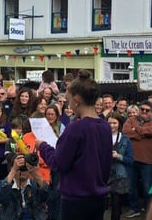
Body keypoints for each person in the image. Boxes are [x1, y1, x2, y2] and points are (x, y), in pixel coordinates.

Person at [36, 69, 113, 220]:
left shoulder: (76, 128)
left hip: (76, 199)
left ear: (76, 100)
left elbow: (58, 163)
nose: (69, 104)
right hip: (98, 197)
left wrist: (43, 146)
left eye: (69, 100)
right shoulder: (104, 127)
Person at [0, 154, 49, 220]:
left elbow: (48, 196)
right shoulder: (7, 185)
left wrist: (36, 174)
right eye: (20, 168)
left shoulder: (36, 185)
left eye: (25, 168)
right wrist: (13, 170)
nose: (23, 171)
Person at [122, 100, 152, 217]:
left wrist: (136, 130)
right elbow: (125, 131)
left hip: (148, 161)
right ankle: (134, 208)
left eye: (147, 110)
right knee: (131, 186)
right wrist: (143, 134)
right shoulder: (131, 120)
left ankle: (149, 210)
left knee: (146, 187)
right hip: (131, 159)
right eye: (142, 109)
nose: (144, 111)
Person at [106, 112, 133, 220]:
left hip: (119, 176)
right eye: (109, 123)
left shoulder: (125, 139)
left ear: (119, 124)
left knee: (116, 207)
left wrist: (118, 156)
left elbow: (130, 160)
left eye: (114, 123)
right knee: (100, 205)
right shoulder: (101, 137)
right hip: (103, 174)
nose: (111, 126)